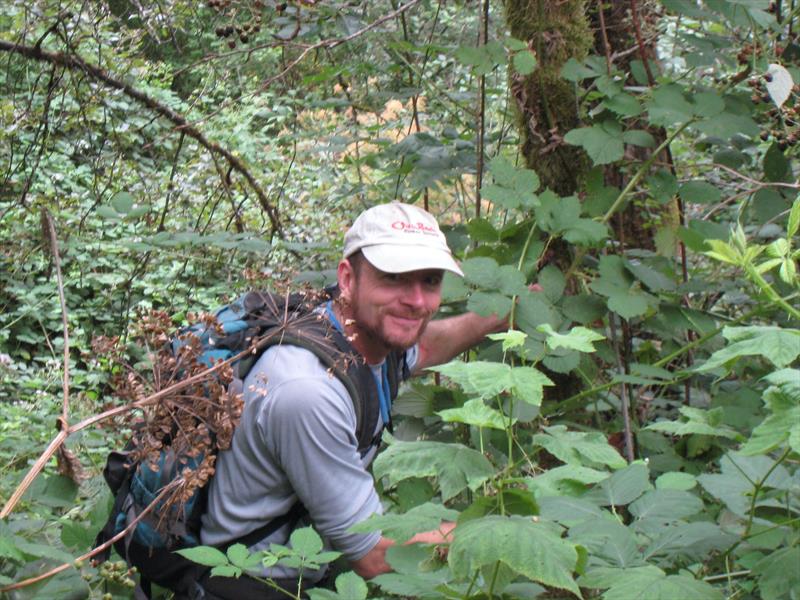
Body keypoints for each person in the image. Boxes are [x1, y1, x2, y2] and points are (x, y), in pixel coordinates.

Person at [197, 202, 510, 599]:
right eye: (394, 277)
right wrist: (501, 534)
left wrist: (501, 316)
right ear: (347, 278)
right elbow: (375, 555)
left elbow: (425, 348)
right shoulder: (308, 392)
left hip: (302, 572)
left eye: (430, 280)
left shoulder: (354, 333)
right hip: (253, 586)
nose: (416, 301)